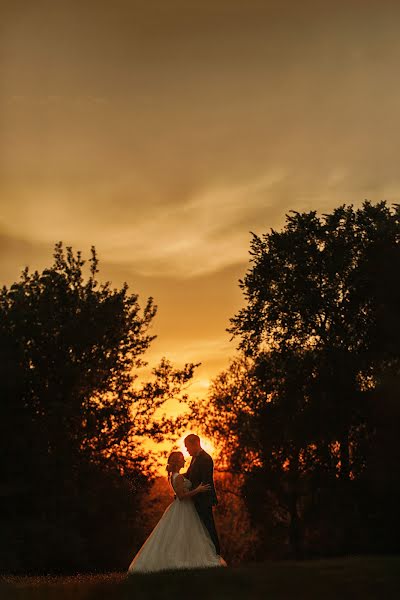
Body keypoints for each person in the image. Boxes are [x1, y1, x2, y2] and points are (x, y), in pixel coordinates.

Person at [127, 450, 226, 573]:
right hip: (184, 507)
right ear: (178, 462)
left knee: (185, 534)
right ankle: (183, 560)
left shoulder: (177, 475)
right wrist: (198, 490)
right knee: (183, 534)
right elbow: (181, 496)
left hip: (185, 507)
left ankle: (187, 558)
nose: (184, 460)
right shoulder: (178, 477)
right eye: (182, 459)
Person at [184, 434, 221, 555]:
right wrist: (175, 475)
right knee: (200, 530)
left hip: (203, 500)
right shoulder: (194, 458)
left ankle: (216, 554)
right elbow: (189, 475)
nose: (187, 450)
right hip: (196, 499)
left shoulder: (205, 459)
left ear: (195, 444)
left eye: (188, 447)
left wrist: (189, 494)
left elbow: (205, 483)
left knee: (208, 527)